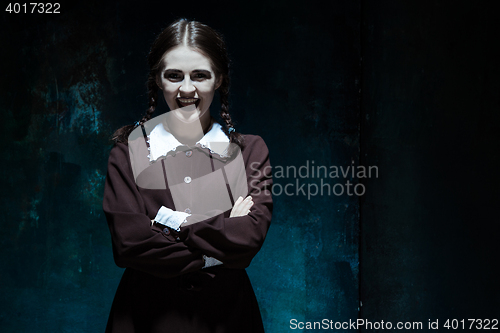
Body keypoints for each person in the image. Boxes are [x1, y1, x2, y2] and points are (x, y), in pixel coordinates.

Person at [102, 18, 273, 333]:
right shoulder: (127, 153)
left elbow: (247, 240)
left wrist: (168, 221)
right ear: (158, 80)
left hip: (228, 317)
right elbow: (129, 244)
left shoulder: (250, 152)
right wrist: (217, 246)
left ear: (218, 79)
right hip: (145, 318)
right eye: (174, 76)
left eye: (200, 75)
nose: (187, 89)